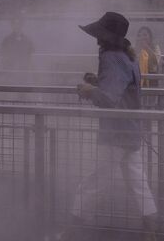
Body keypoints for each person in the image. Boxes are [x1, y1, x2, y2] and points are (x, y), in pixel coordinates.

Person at [65, 12, 158, 241]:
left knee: (94, 182)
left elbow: (110, 99)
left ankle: (69, 232)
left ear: (105, 37)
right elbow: (122, 89)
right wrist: (98, 82)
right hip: (132, 130)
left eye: (99, 35)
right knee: (139, 183)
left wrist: (89, 90)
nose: (96, 39)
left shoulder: (111, 57)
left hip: (115, 133)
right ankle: (151, 233)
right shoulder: (129, 56)